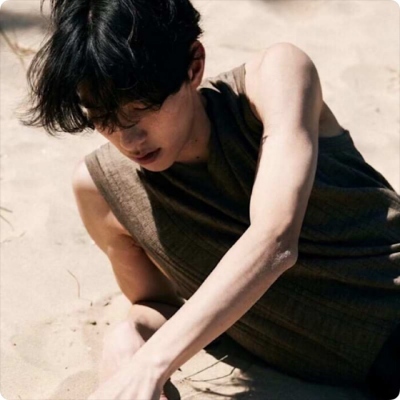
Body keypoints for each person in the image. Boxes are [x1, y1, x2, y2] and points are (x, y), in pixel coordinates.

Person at [22, 0, 400, 399]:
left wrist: (151, 365)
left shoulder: (275, 79)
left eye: (141, 109)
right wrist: (130, 338)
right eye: (102, 117)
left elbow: (274, 240)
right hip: (334, 381)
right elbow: (160, 303)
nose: (129, 139)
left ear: (193, 66)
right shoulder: (101, 191)